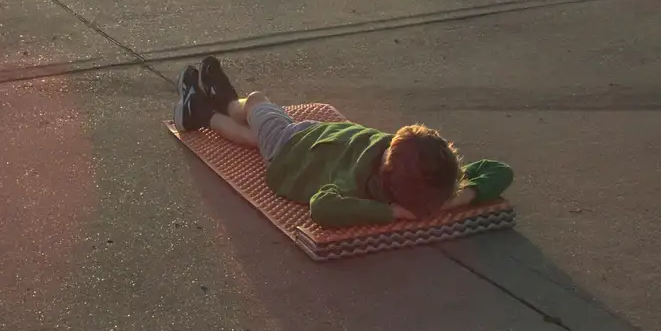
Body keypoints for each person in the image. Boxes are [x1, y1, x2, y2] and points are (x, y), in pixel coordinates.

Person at [175, 57, 514, 227]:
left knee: (258, 104)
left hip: (291, 147)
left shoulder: (357, 181)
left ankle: (220, 106)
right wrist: (461, 198)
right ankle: (207, 109)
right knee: (252, 137)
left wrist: (389, 212)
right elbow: (499, 171)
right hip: (314, 138)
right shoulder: (433, 184)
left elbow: (322, 207)